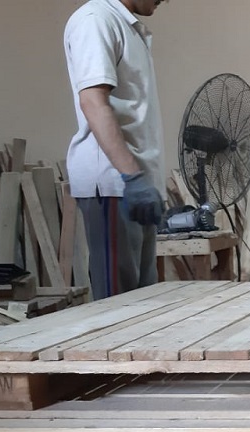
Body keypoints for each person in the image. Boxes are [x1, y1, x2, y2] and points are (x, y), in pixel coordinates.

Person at [63, 0, 168, 300]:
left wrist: (146, 181)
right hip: (114, 185)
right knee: (117, 308)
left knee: (144, 304)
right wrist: (131, 177)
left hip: (136, 186)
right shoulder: (95, 19)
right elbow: (93, 102)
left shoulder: (126, 26)